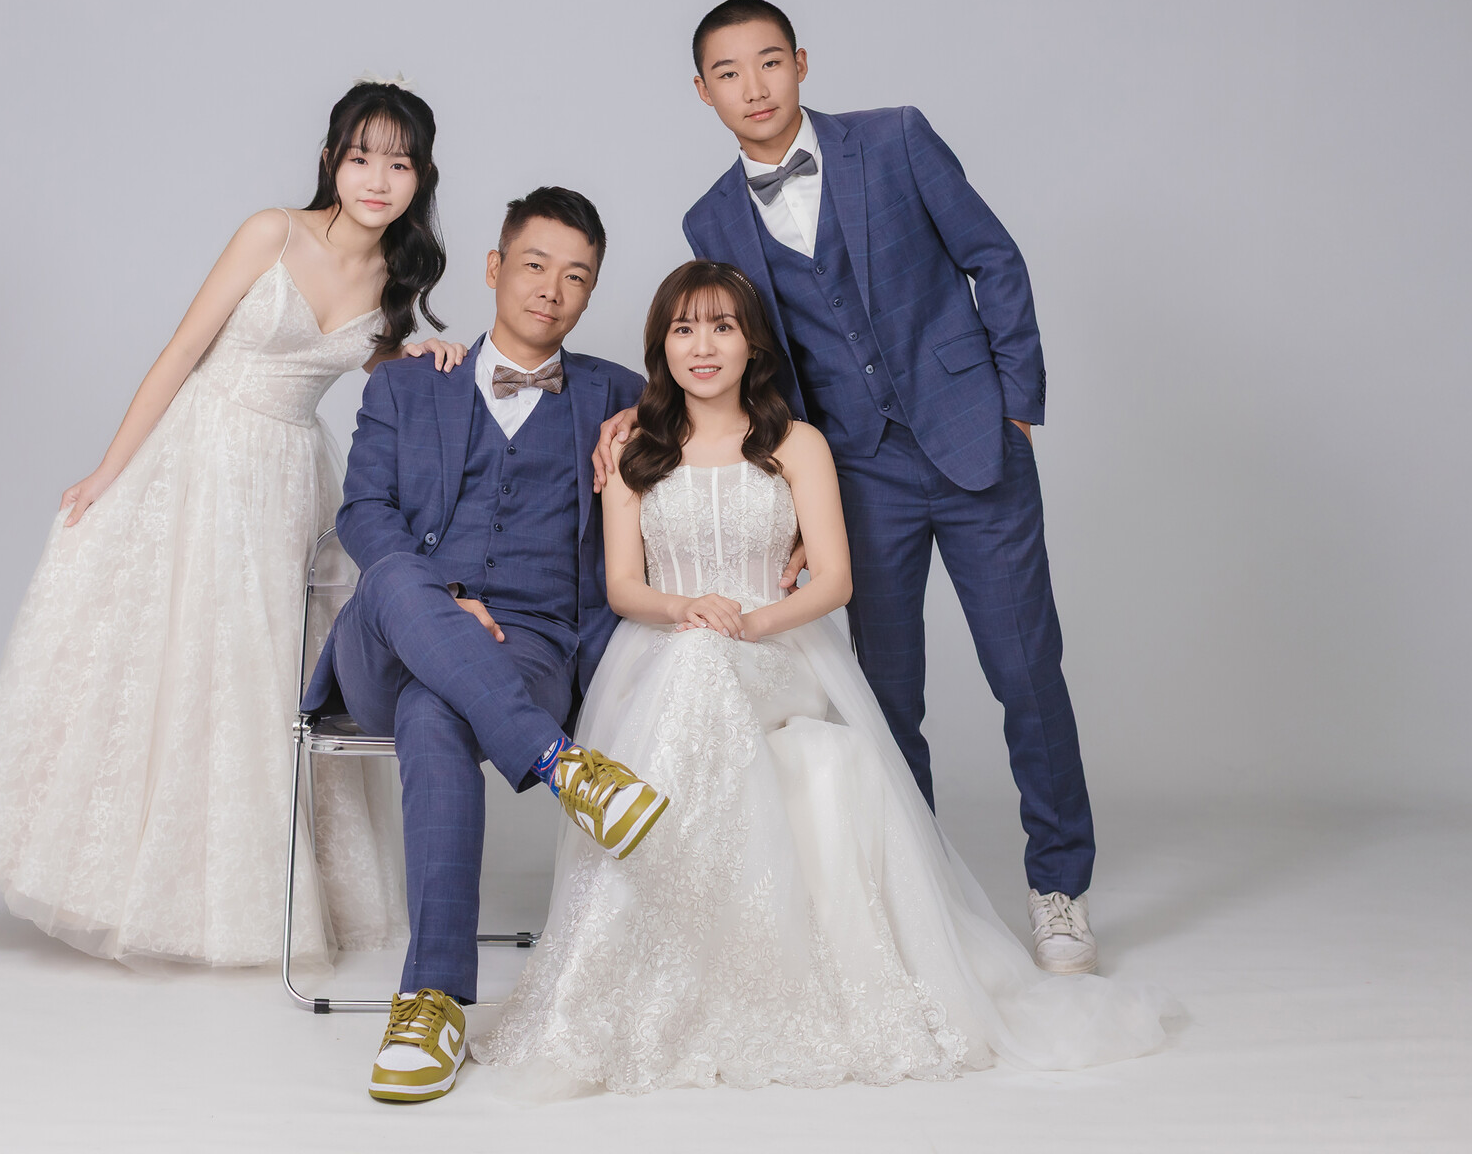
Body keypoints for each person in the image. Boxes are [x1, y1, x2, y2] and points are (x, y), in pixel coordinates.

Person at [477, 261, 1169, 1094]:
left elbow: (835, 581)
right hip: (667, 643)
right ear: (662, 346)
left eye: (723, 327)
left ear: (753, 344)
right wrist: (689, 611)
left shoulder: (796, 445)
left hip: (778, 651)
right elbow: (624, 586)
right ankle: (653, 970)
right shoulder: (633, 449)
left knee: (709, 663)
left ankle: (654, 937)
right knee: (695, 664)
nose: (703, 346)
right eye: (684, 329)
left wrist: (749, 622)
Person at [595, 0, 1100, 973]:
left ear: (802, 63)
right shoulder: (711, 217)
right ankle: (924, 894)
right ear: (702, 92)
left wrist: (1015, 402)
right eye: (729, 73)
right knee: (885, 694)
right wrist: (637, 413)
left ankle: (1060, 886)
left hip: (975, 441)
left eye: (769, 61)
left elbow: (993, 258)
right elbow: (734, 355)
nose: (754, 87)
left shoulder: (897, 140)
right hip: (860, 473)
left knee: (1026, 671)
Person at [0, 79, 467, 968]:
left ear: (423, 177)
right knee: (179, 661)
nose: (378, 179)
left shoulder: (395, 276)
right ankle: (138, 888)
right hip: (203, 455)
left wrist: (416, 351)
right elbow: (182, 351)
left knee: (261, 676)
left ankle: (247, 899)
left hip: (290, 478)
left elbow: (370, 364)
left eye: (400, 163)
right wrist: (109, 469)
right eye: (362, 156)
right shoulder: (272, 231)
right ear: (331, 159)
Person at [303, 187, 665, 1104]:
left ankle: (430, 1000)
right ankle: (562, 766)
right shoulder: (407, 380)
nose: (552, 289)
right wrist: (447, 600)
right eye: (535, 265)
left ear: (590, 293)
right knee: (394, 574)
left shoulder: (621, 395)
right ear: (496, 268)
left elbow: (732, 423)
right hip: (392, 637)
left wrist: (784, 533)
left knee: (438, 711)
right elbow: (364, 513)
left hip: (533, 647)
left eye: (576, 276)